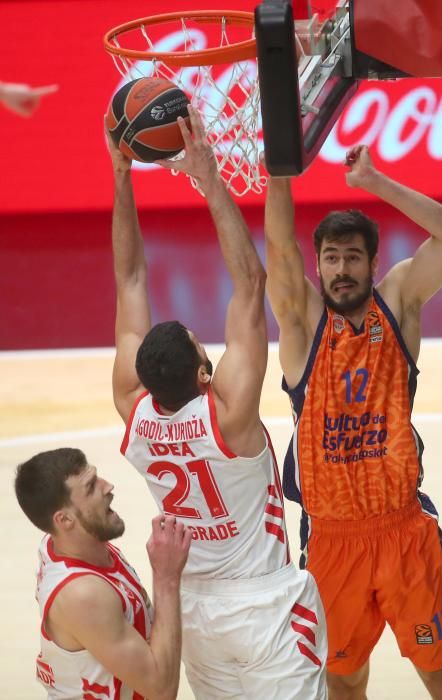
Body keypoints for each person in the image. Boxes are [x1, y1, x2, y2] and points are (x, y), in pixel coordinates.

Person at [108, 104, 327, 699]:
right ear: (206, 372)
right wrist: (208, 179)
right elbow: (251, 285)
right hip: (263, 604)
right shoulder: (228, 413)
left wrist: (121, 175)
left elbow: (129, 280)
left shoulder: (133, 408)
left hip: (195, 612)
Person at [264, 145, 442, 700]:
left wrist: (375, 181)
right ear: (318, 266)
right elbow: (279, 250)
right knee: (344, 681)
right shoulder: (303, 324)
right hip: (332, 540)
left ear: (372, 264)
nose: (341, 270)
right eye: (330, 258)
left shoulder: (399, 302)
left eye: (353, 258)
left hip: (404, 531)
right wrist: (279, 163)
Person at [14, 447, 191, 699]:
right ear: (64, 520)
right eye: (90, 487)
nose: (107, 486)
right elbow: (161, 690)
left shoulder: (73, 542)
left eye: (97, 477)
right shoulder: (82, 594)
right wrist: (166, 577)